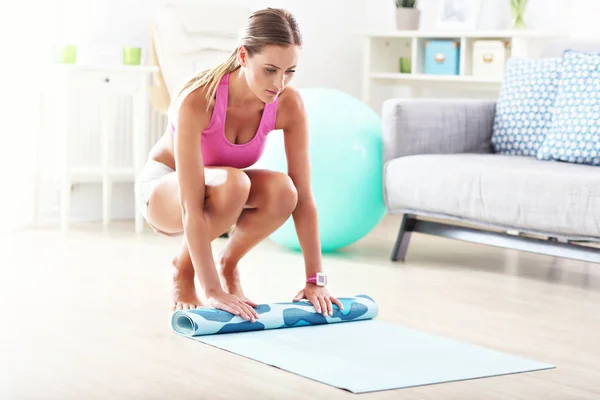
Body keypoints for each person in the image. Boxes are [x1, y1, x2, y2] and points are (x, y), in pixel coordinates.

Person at [135, 7, 343, 322]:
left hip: (220, 189)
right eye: (270, 70)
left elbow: (304, 197)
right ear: (244, 56)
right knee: (235, 184)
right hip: (165, 190)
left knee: (285, 191)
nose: (280, 83)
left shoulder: (288, 104)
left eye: (289, 71)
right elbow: (192, 206)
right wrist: (212, 290)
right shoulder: (197, 99)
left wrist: (316, 280)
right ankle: (182, 269)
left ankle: (229, 263)